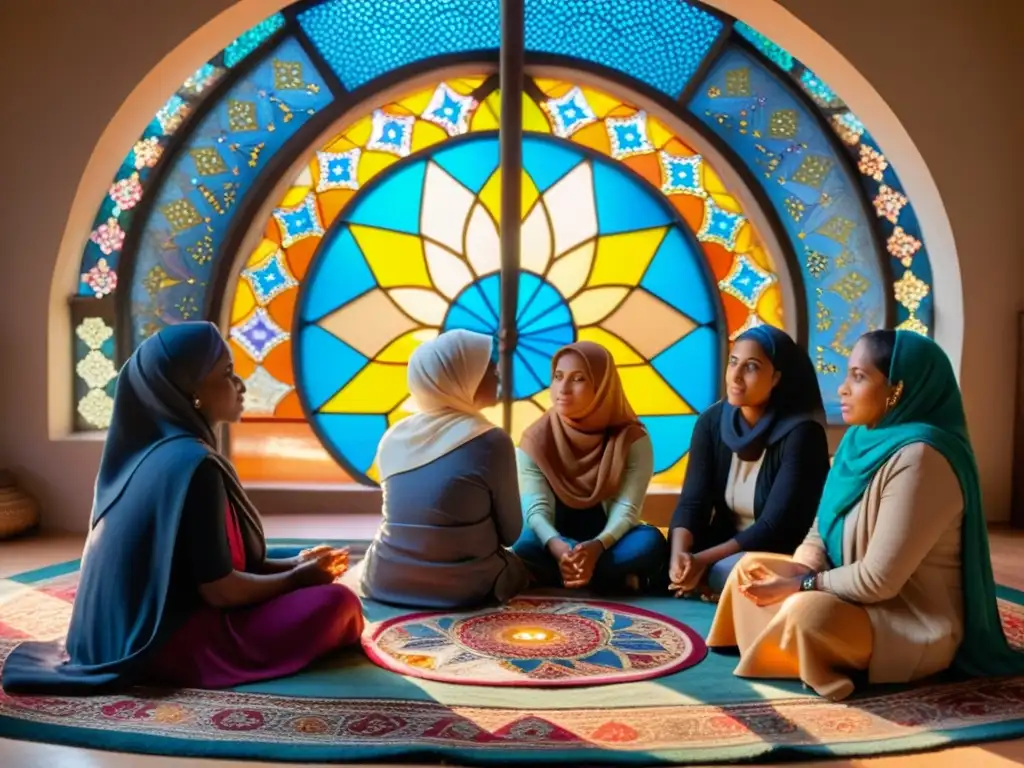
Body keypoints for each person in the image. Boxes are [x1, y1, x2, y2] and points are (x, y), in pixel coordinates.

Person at [1, 322, 363, 695]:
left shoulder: (150, 454)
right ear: (192, 394)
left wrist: (297, 563)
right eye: (225, 373)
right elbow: (220, 590)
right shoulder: (194, 466)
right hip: (168, 643)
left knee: (290, 557)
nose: (239, 385)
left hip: (125, 630)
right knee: (338, 603)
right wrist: (298, 579)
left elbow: (206, 562)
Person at [706, 330, 1024, 701]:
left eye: (859, 377)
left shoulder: (923, 458)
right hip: (846, 595)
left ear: (897, 390)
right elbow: (819, 529)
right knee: (750, 569)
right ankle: (785, 645)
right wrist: (803, 568)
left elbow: (879, 581)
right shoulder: (857, 442)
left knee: (809, 615)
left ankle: (787, 643)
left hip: (905, 619)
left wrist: (802, 585)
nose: (842, 389)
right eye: (846, 375)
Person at [359, 329, 529, 608]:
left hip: (383, 579)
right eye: (487, 368)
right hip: (463, 587)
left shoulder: (394, 436)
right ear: (460, 377)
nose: (497, 374)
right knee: (531, 556)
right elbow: (511, 534)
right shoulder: (491, 441)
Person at [668, 325, 829, 597]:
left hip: (777, 550)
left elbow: (773, 527)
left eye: (752, 367)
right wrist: (680, 555)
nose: (737, 376)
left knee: (733, 572)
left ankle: (712, 582)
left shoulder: (802, 435)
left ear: (776, 377)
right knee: (657, 553)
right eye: (734, 362)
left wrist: (702, 561)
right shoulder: (711, 422)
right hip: (723, 543)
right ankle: (702, 579)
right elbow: (693, 502)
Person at [511, 341, 667, 592]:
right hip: (553, 541)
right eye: (558, 377)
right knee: (522, 543)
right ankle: (608, 578)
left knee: (651, 542)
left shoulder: (632, 439)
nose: (563, 389)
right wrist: (557, 545)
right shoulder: (535, 439)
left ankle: (567, 575)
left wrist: (596, 547)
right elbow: (536, 511)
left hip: (610, 541)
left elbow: (627, 510)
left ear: (602, 386)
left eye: (578, 379)